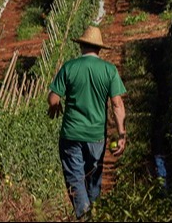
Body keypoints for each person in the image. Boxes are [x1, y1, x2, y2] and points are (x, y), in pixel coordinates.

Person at [48, 25, 127, 220]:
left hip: (71, 134)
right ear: (99, 48)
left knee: (76, 179)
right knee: (93, 179)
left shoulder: (70, 67)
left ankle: (85, 217)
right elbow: (117, 104)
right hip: (96, 137)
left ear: (81, 45)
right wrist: (121, 134)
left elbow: (53, 98)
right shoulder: (109, 70)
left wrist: (55, 106)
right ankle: (95, 214)